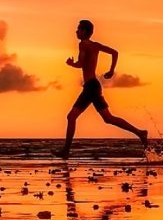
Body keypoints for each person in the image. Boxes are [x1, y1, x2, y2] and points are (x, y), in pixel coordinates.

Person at [52, 19, 148, 159]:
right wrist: (111, 71)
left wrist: (71, 64)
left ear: (85, 31)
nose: (76, 31)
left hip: (91, 86)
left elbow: (81, 64)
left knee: (71, 117)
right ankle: (140, 133)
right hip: (94, 86)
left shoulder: (83, 44)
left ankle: (65, 151)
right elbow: (115, 53)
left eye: (79, 29)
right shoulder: (95, 45)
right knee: (108, 118)